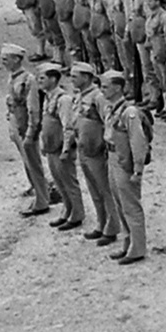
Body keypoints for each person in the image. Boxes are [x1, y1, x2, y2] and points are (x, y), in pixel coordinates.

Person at [101, 70, 149, 265]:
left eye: (106, 86)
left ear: (118, 88)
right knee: (119, 204)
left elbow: (138, 143)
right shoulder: (111, 108)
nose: (102, 90)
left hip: (124, 161)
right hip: (113, 157)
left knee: (130, 205)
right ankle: (127, 242)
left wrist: (138, 170)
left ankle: (138, 247)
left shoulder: (129, 113)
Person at [71, 60, 118, 246]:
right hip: (84, 148)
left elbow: (108, 122)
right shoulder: (79, 96)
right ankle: (101, 223)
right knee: (94, 190)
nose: (72, 79)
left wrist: (104, 144)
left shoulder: (98, 97)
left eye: (75, 76)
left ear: (87, 77)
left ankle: (112, 227)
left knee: (105, 190)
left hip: (96, 150)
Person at [2, 43, 52, 216]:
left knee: (33, 161)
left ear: (17, 59)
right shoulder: (13, 78)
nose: (4, 62)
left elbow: (33, 107)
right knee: (26, 160)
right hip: (17, 121)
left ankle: (42, 199)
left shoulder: (28, 79)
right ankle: (36, 188)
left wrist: (32, 130)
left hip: (25, 123)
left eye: (6, 59)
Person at [43, 64, 85, 232]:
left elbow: (68, 126)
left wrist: (66, 149)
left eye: (42, 78)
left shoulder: (63, 99)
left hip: (60, 147)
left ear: (53, 79)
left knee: (69, 181)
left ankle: (77, 213)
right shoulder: (48, 97)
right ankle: (67, 210)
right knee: (59, 182)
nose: (39, 82)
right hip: (52, 147)